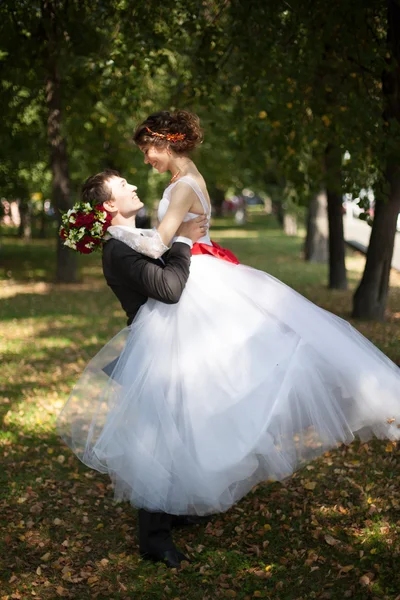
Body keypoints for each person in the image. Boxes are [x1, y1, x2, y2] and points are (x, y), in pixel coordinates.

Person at [59, 110, 400, 569]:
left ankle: (165, 513)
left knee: (188, 407)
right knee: (177, 411)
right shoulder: (173, 192)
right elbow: (160, 254)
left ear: (169, 142)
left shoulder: (179, 187)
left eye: (148, 149)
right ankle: (159, 522)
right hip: (186, 294)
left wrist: (149, 235)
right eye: (135, 163)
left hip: (191, 294)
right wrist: (123, 235)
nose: (144, 160)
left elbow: (159, 246)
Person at [57, 170, 208, 568]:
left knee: (177, 429)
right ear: (109, 205)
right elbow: (170, 290)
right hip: (153, 352)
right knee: (156, 441)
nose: (135, 187)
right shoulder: (119, 251)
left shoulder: (135, 239)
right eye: (124, 186)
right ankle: (154, 540)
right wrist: (184, 240)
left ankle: (172, 511)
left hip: (170, 343)